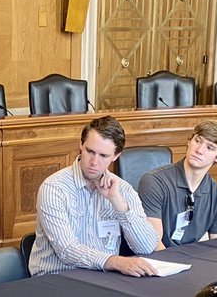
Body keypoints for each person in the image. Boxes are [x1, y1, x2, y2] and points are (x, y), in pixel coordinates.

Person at [29, 116, 160, 276]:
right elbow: (67, 250)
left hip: (101, 278)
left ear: (115, 156)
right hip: (56, 278)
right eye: (90, 151)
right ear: (81, 145)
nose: (94, 162)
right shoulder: (54, 188)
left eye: (103, 156)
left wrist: (118, 203)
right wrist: (116, 262)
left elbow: (146, 247)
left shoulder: (122, 189)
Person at [139, 119, 217, 248]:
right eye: (198, 141)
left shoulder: (216, 196)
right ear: (189, 141)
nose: (199, 150)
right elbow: (153, 245)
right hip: (158, 262)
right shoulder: (153, 182)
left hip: (190, 260)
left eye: (210, 147)